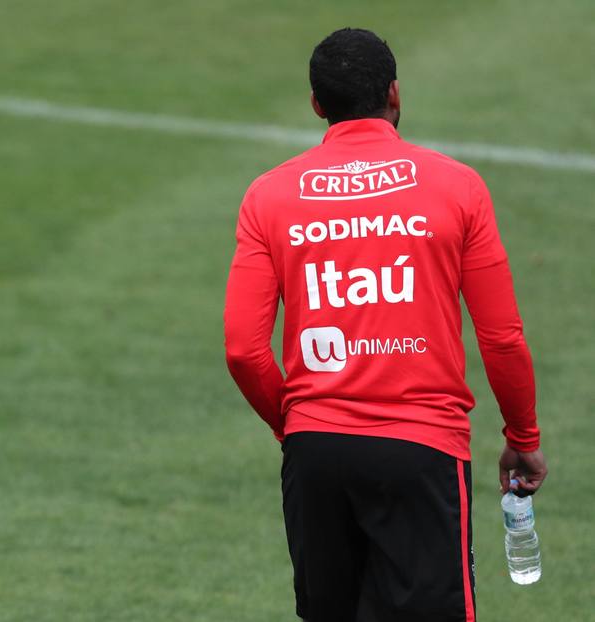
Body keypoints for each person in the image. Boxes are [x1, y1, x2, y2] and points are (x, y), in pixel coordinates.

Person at [223, 28, 547, 621]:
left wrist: (297, 424)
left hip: (315, 453)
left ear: (317, 104)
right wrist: (522, 439)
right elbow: (501, 337)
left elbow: (245, 352)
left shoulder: (268, 196)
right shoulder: (457, 188)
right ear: (395, 95)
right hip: (420, 450)